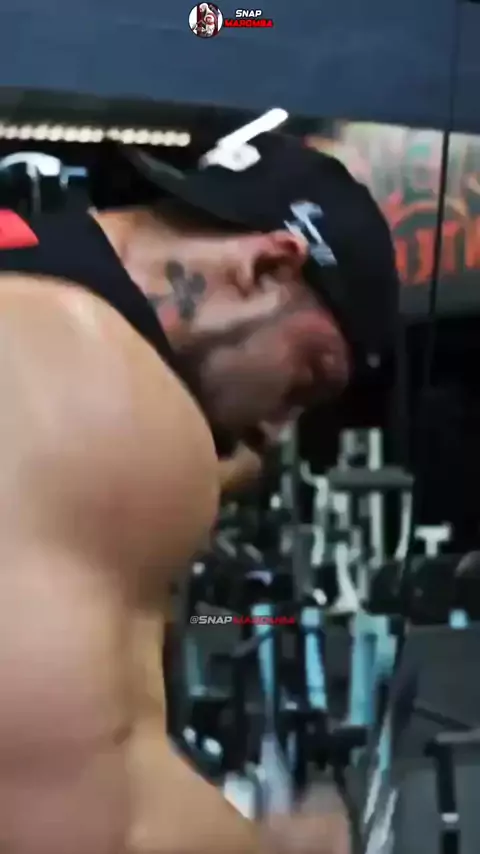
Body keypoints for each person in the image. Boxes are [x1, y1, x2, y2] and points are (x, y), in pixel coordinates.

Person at [0, 129, 399, 854]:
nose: (277, 431)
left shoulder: (26, 263)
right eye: (307, 379)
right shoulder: (102, 381)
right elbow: (78, 827)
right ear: (267, 267)